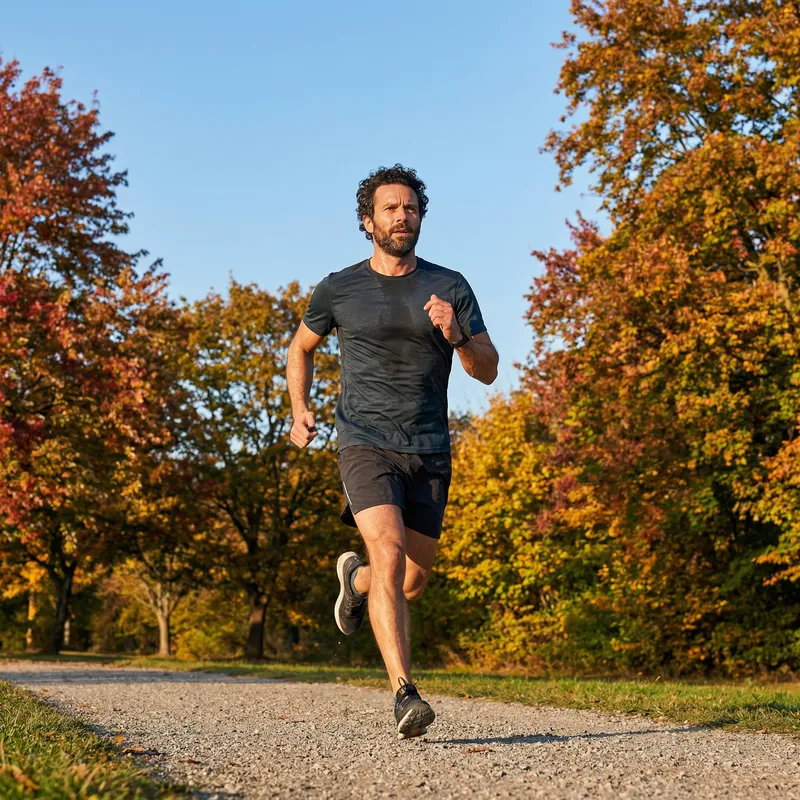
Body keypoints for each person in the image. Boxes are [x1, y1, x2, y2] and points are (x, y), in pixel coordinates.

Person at [286, 164, 498, 739]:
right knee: (388, 546)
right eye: (390, 208)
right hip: (363, 440)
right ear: (368, 220)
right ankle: (405, 693)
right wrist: (299, 407)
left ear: (420, 216)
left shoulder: (449, 285)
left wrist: (456, 335)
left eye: (411, 208)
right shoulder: (339, 287)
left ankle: (353, 581)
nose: (402, 216)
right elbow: (300, 348)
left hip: (429, 446)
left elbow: (487, 370)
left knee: (409, 580)